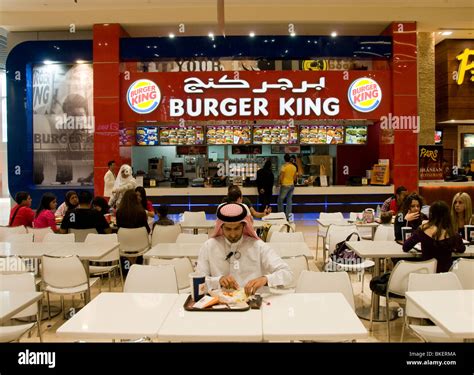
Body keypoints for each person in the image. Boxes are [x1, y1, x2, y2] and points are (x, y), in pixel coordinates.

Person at [196, 203, 292, 295]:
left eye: (237, 228)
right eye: (228, 229)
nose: (233, 234)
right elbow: (198, 281)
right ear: (221, 227)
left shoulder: (259, 247)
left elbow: (287, 273)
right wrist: (218, 280)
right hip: (219, 306)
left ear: (244, 226)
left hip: (253, 304)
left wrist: (265, 279)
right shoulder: (208, 247)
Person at [403, 201, 465, 272]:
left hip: (426, 274)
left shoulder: (422, 230)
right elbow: (462, 249)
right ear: (448, 215)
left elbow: (406, 247)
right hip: (446, 277)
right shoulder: (453, 234)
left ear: (431, 214)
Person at [277, 154, 297, 221]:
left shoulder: (284, 166)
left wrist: (279, 183)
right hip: (291, 185)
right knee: (289, 201)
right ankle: (289, 217)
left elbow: (281, 176)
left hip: (285, 185)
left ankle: (281, 216)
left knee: (280, 200)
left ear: (284, 159)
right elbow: (294, 178)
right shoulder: (294, 167)